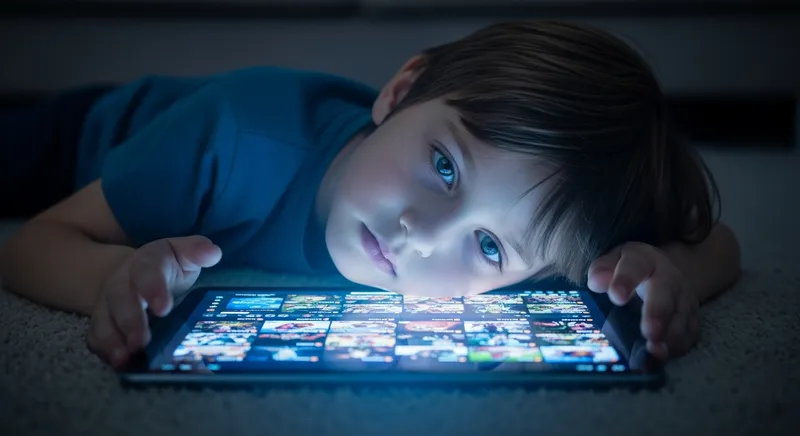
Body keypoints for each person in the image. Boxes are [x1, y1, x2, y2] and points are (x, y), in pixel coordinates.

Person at [0, 21, 741, 369]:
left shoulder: (552, 234)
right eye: (444, 167)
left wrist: (663, 273)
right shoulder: (235, 141)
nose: (422, 233)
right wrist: (113, 277)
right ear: (400, 91)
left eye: (488, 247)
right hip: (82, 137)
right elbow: (33, 243)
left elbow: (719, 244)